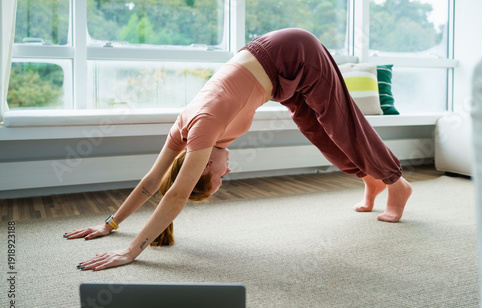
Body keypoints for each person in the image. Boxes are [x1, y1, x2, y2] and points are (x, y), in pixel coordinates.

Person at [64, 28, 412, 271]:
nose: (227, 173)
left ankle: (396, 184)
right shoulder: (182, 134)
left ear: (202, 167)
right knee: (322, 134)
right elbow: (153, 181)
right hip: (278, 77)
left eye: (218, 179)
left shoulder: (202, 130)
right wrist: (110, 224)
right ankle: (371, 180)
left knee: (342, 125)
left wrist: (130, 251)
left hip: (293, 54)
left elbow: (175, 196)